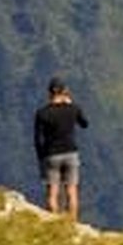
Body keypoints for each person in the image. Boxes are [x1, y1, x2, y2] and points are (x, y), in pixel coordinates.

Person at [34, 76, 89, 221]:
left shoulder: (42, 113)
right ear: (65, 91)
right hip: (71, 152)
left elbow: (38, 139)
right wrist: (72, 104)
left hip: (51, 154)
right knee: (72, 191)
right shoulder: (73, 109)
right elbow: (84, 124)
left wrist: (41, 158)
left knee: (52, 192)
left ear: (49, 93)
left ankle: (54, 223)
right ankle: (73, 225)